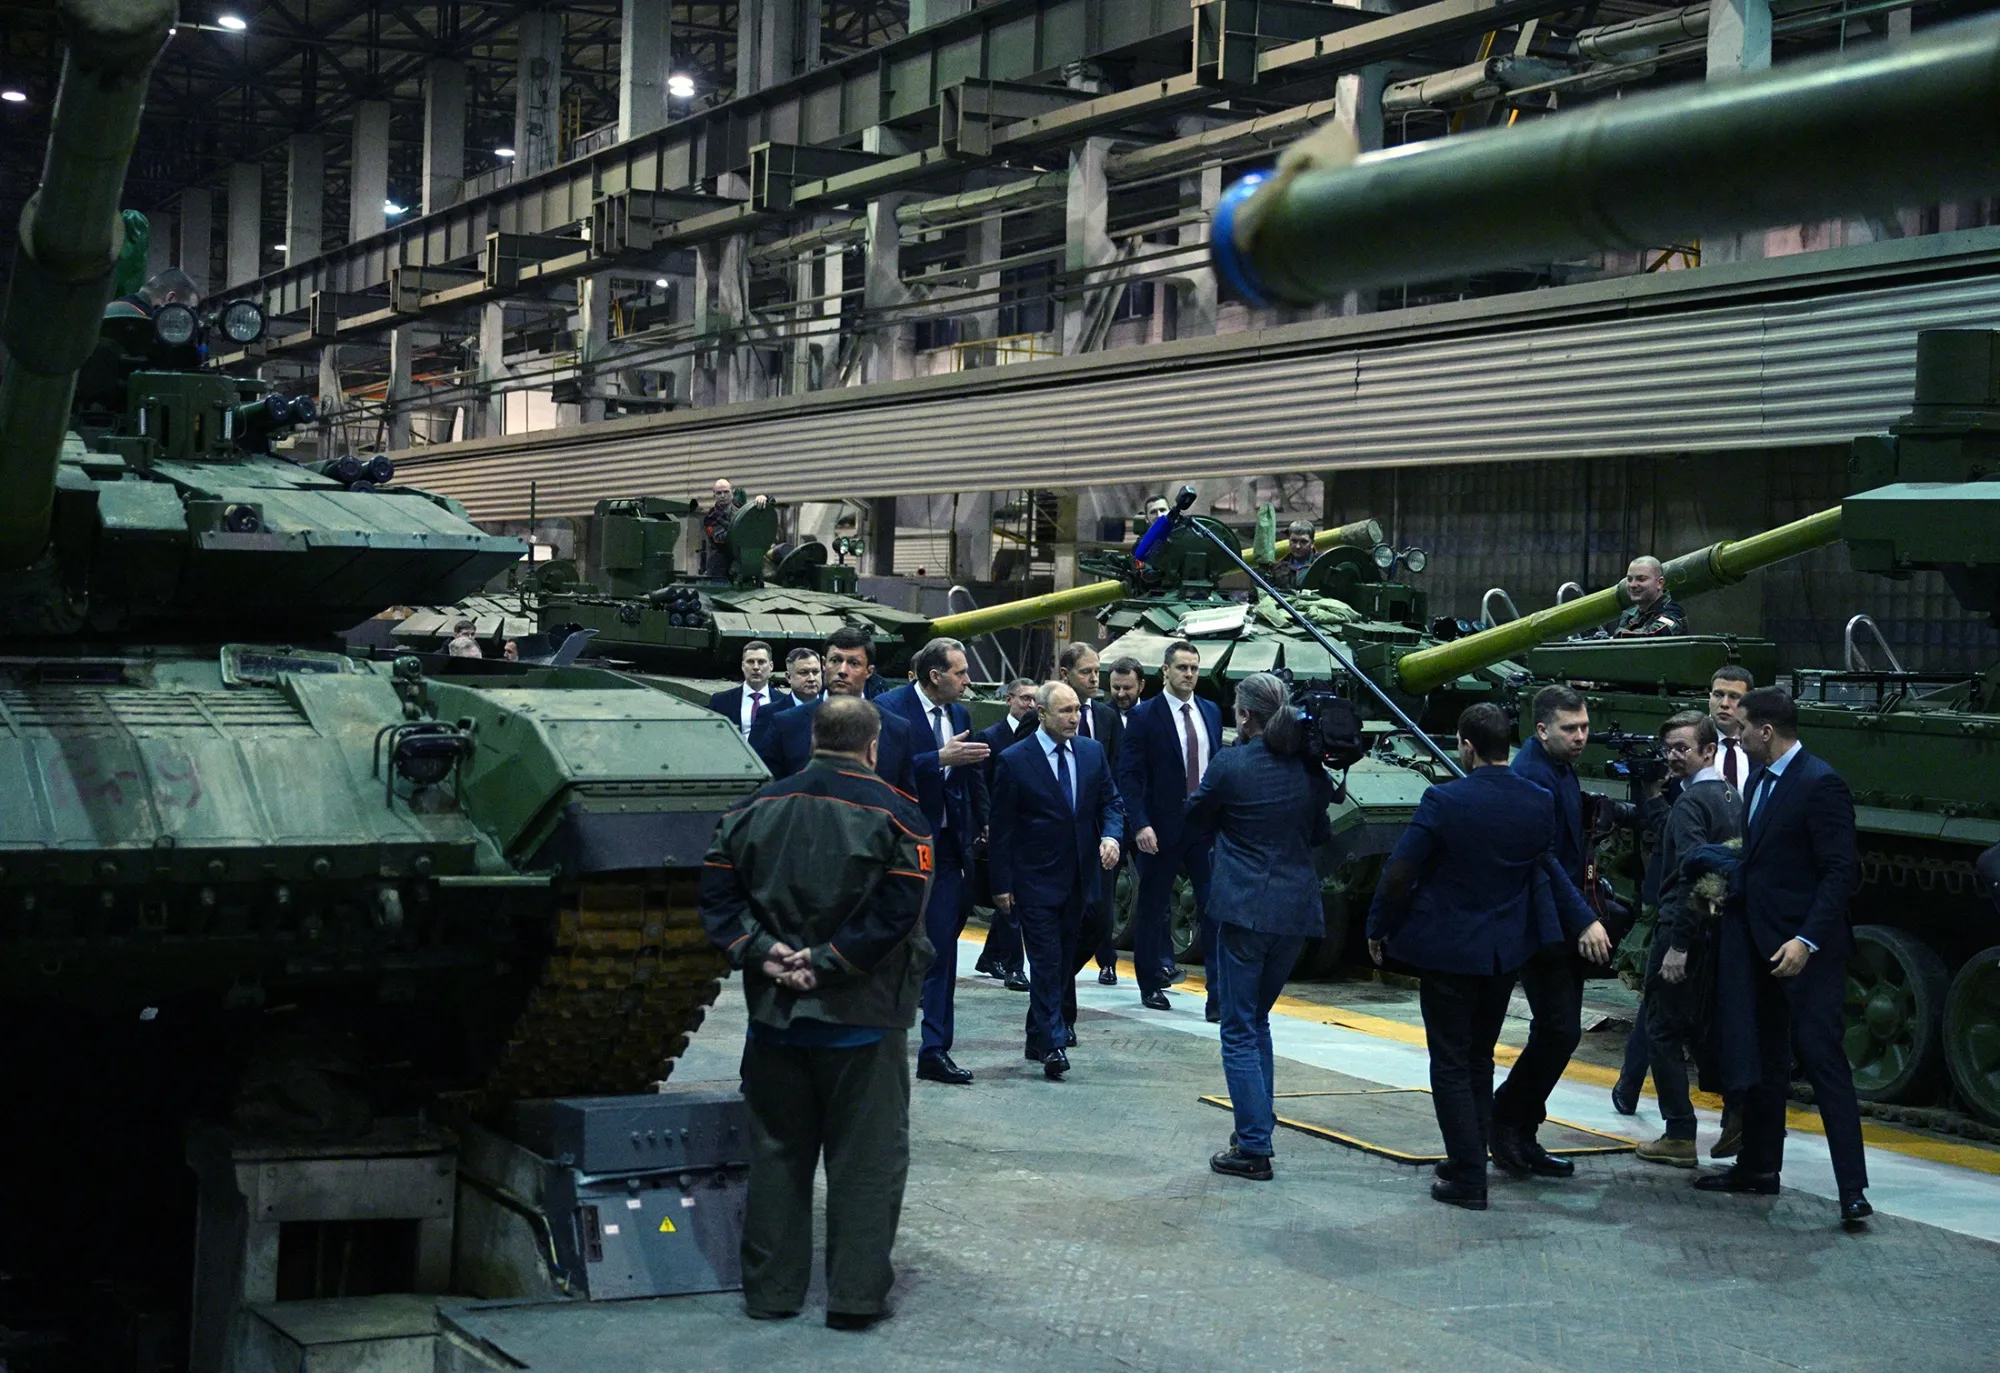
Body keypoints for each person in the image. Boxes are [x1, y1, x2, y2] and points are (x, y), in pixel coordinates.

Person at [698, 695, 934, 1330]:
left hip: (776, 1016)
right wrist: (827, 962)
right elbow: (899, 912)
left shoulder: (750, 810)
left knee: (776, 1155)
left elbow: (717, 899)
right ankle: (853, 1298)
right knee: (866, 1163)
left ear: (812, 740)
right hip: (864, 1020)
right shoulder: (899, 815)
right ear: (873, 746)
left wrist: (764, 953)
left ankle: (771, 1293)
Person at [1366, 703, 1602, 1211]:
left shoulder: (1444, 800)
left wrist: (1379, 927)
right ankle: (1467, 1157)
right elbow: (1544, 868)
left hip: (1449, 953)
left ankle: (1470, 1177)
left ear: (1467, 746)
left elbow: (1401, 871)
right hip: (1503, 955)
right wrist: (1583, 917)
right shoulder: (1538, 800)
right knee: (1479, 1058)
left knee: (1450, 1061)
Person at [1698, 687, 1870, 1227]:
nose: (1737, 737)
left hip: (1806, 952)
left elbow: (1840, 873)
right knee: (1763, 1057)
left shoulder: (1820, 783)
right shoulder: (1759, 781)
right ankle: (1758, 1167)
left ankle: (1852, 1190)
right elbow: (1760, 861)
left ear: (1766, 731)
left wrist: (1806, 941)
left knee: (1823, 1062)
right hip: (1759, 945)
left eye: (1743, 728)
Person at [1186, 672, 1333, 1181]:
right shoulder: (1309, 769)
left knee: (1237, 1027)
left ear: (1245, 716)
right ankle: (1257, 1126)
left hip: (1246, 911)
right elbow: (1319, 832)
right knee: (1258, 1021)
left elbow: (1195, 819)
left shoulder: (1232, 765)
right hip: (1296, 914)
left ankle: (1253, 1146)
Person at [1490, 685, 1612, 1181]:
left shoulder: (1558, 766)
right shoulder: (1534, 776)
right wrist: (1583, 919)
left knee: (1556, 1031)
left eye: (1584, 727)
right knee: (1559, 1030)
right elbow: (1542, 860)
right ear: (1541, 730)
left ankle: (1522, 1130)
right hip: (1541, 923)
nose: (1581, 736)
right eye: (1570, 729)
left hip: (1558, 917)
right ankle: (1504, 1119)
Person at [987, 682, 1124, 1080]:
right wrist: (1001, 884)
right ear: (1042, 714)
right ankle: (1053, 1043)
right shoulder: (1015, 760)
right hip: (1035, 881)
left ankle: (1037, 1033)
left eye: (1077, 710)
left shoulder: (1091, 753)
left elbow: (1111, 802)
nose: (1074, 718)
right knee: (1046, 962)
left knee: (1063, 960)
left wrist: (1111, 836)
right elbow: (1002, 828)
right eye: (1065, 711)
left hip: (1081, 878)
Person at [877, 638, 991, 1086]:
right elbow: (883, 772)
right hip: (897, 847)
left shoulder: (960, 715)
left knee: (941, 948)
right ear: (935, 676)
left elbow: (967, 776)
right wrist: (938, 759)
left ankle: (935, 1050)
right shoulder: (890, 710)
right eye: (961, 673)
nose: (967, 680)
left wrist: (980, 823)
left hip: (944, 849)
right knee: (888, 947)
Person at [1633, 711, 1744, 1168]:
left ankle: (1679, 1134)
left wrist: (1678, 945)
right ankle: (1737, 1111)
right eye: (1669, 749)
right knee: (1702, 1027)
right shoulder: (1731, 796)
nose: (1673, 757)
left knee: (1661, 1029)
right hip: (1715, 928)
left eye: (1683, 748)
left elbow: (1692, 877)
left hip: (1682, 929)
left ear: (1708, 750)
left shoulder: (1691, 803)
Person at [1118, 640, 1222, 1017]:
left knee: (1214, 908)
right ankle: (1150, 983)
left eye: (1194, 668)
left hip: (1203, 829)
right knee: (1153, 907)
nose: (1189, 674)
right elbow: (1129, 776)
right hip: (1159, 831)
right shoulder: (1145, 716)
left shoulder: (1210, 712)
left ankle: (1218, 995)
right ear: (1165, 671)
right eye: (1181, 667)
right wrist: (1140, 824)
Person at [757, 626, 922, 796]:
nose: (842, 670)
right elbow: (768, 794)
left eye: (853, 663)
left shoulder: (896, 729)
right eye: (835, 660)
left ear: (869, 672)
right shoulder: (786, 725)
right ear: (824, 664)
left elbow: (907, 798)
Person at [1057, 643, 1125, 988]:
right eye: (1086, 672)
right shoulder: (1041, 717)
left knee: (1100, 916)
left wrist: (1114, 830)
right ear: (1065, 674)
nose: (1095, 678)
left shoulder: (1106, 717)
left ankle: (1072, 971)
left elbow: (1115, 775)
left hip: (1097, 834)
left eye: (1097, 671)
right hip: (1057, 835)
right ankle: (1056, 984)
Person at [972, 678, 1041, 991]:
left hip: (1029, 829)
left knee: (1014, 901)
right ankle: (1014, 966)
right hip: (1001, 827)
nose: (1030, 704)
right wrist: (985, 822)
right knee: (1009, 900)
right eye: (1025, 698)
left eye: (1034, 699)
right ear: (1009, 699)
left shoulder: (1039, 734)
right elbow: (981, 785)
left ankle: (991, 956)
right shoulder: (990, 737)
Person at [709, 640, 793, 742]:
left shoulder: (785, 703)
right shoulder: (720, 701)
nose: (756, 667)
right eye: (750, 662)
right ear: (743, 666)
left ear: (771, 666)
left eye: (761, 662)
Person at [1606, 557, 1689, 638]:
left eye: (1641, 579)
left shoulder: (1673, 613)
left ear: (1659, 583)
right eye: (1629, 579)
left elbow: (1653, 636)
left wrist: (1616, 638)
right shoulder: (1629, 615)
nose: (1632, 585)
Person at [1709, 665, 1755, 792]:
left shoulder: (1760, 748)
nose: (1724, 704)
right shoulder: (1694, 744)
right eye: (1718, 695)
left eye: (1734, 697)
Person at [1269, 520, 1317, 589]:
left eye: (1303, 542)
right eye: (1294, 541)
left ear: (1312, 543)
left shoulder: (1321, 565)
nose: (1298, 546)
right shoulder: (1278, 569)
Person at [1106, 657, 1144, 722]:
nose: (1121, 694)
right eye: (1116, 688)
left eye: (1127, 688)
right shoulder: (1099, 715)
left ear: (1141, 686)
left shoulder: (1154, 714)